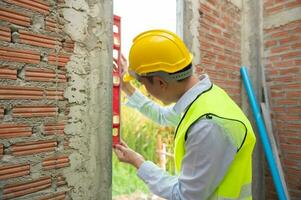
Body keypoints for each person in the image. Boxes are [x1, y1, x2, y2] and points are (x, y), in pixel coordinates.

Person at [113, 29, 256, 200]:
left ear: (160, 82)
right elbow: (163, 116)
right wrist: (127, 88)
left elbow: (184, 196)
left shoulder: (208, 125)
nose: (146, 90)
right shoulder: (204, 98)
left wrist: (138, 162)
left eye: (143, 84)